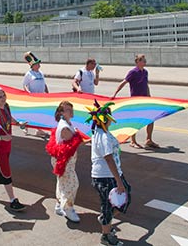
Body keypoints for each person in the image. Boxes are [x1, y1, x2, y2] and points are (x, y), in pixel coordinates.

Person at [91, 101, 131, 246]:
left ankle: (104, 219)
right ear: (105, 118)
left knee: (125, 199)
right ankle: (106, 235)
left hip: (114, 174)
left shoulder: (104, 133)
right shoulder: (102, 136)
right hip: (105, 177)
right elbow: (108, 158)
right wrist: (118, 181)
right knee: (108, 205)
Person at [111, 54, 159, 149]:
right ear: (137, 62)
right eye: (142, 60)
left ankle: (148, 140)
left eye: (145, 60)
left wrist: (149, 96)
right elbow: (123, 82)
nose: (145, 62)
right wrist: (115, 94)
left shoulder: (145, 72)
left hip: (145, 99)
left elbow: (146, 85)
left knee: (151, 119)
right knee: (135, 121)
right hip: (135, 100)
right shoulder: (133, 72)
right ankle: (133, 141)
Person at [45, 101, 82, 223]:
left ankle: (58, 205)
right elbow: (73, 143)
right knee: (72, 184)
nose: (70, 111)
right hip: (64, 161)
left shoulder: (67, 123)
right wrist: (89, 139)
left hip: (66, 160)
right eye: (67, 110)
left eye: (71, 109)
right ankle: (68, 208)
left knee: (62, 183)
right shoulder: (64, 126)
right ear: (61, 113)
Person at [22, 52, 49, 138]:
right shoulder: (29, 74)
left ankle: (38, 130)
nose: (39, 65)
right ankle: (26, 126)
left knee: (39, 113)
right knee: (32, 113)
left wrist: (47, 93)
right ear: (33, 65)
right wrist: (29, 93)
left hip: (41, 97)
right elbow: (25, 85)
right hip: (33, 97)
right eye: (37, 64)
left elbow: (44, 83)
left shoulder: (40, 73)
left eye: (39, 64)